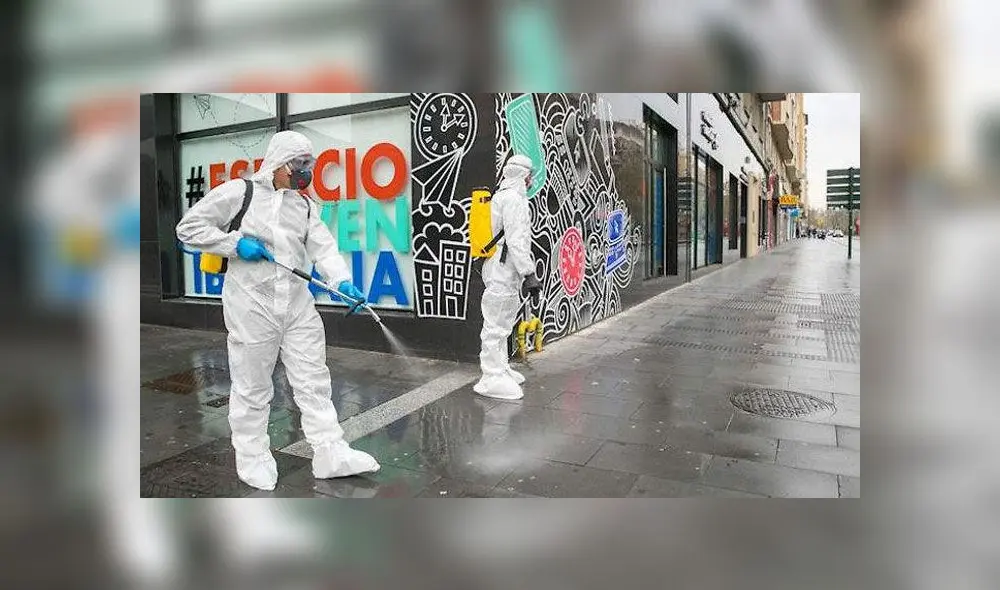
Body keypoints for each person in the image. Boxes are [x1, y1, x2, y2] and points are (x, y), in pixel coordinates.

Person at [176, 130, 379, 491]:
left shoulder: (302, 204)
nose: (306, 171)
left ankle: (330, 452)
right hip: (251, 305)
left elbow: (324, 248)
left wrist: (343, 281)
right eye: (300, 164)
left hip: (298, 306)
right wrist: (236, 245)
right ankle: (252, 457)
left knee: (314, 381)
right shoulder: (240, 193)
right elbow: (188, 227)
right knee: (253, 385)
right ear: (279, 163)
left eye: (309, 164)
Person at [474, 154, 541, 400]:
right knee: (495, 324)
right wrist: (529, 273)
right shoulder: (511, 199)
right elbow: (516, 241)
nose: (531, 180)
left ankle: (500, 368)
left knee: (503, 322)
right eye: (529, 175)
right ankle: (490, 376)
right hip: (501, 271)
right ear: (521, 176)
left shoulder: (508, 197)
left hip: (505, 270)